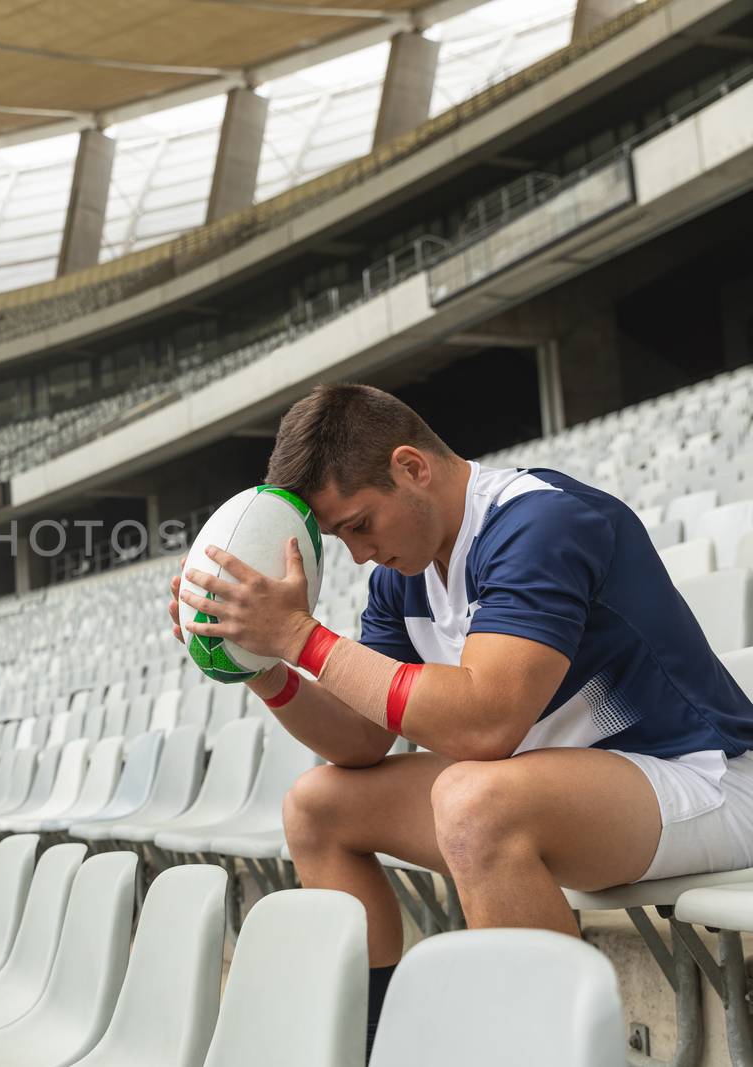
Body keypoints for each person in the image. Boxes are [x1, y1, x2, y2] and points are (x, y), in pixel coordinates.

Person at [166, 383, 753, 1058]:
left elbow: (485, 726)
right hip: (571, 793)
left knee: (474, 801)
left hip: (701, 776)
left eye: (359, 524)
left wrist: (302, 636)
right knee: (317, 806)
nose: (357, 554)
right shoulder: (403, 573)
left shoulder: (539, 523)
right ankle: (367, 1047)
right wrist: (266, 663)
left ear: (412, 467)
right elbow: (361, 740)